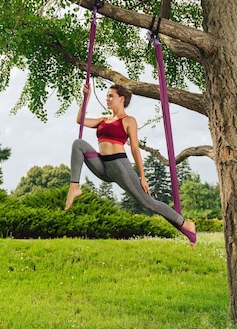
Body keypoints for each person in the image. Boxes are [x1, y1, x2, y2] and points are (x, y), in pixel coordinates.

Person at [65, 83, 196, 246]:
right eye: (107, 95)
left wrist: (142, 176)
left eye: (111, 95)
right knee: (78, 144)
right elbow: (80, 120)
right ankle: (74, 186)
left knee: (148, 203)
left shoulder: (128, 121)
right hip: (103, 166)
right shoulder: (103, 120)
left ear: (121, 99)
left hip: (120, 167)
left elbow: (134, 148)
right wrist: (86, 98)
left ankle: (185, 224)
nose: (107, 98)